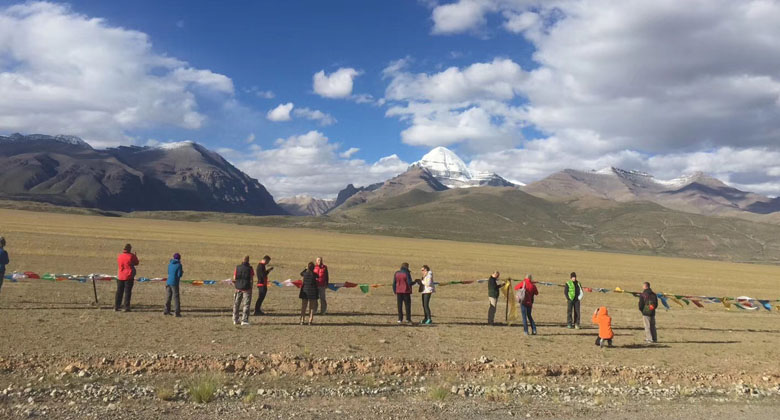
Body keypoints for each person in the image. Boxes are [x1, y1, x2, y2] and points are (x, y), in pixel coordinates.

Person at [115, 244, 140, 312]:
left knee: (119, 291)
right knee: (127, 292)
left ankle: (117, 306)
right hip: (128, 276)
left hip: (120, 276)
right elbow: (136, 263)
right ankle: (126, 306)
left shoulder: (120, 256)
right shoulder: (131, 256)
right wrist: (135, 256)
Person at [232, 256, 254, 326]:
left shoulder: (237, 267)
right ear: (248, 261)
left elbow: (234, 278)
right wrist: (251, 287)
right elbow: (251, 279)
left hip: (238, 288)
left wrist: (236, 286)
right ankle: (244, 320)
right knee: (246, 304)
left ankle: (235, 319)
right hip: (247, 288)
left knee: (236, 304)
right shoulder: (250, 268)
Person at [164, 253, 183, 317]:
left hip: (168, 282)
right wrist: (182, 272)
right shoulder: (179, 265)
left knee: (168, 297)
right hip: (174, 283)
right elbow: (179, 275)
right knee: (176, 298)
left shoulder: (170, 264)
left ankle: (166, 310)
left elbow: (168, 272)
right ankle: (177, 312)